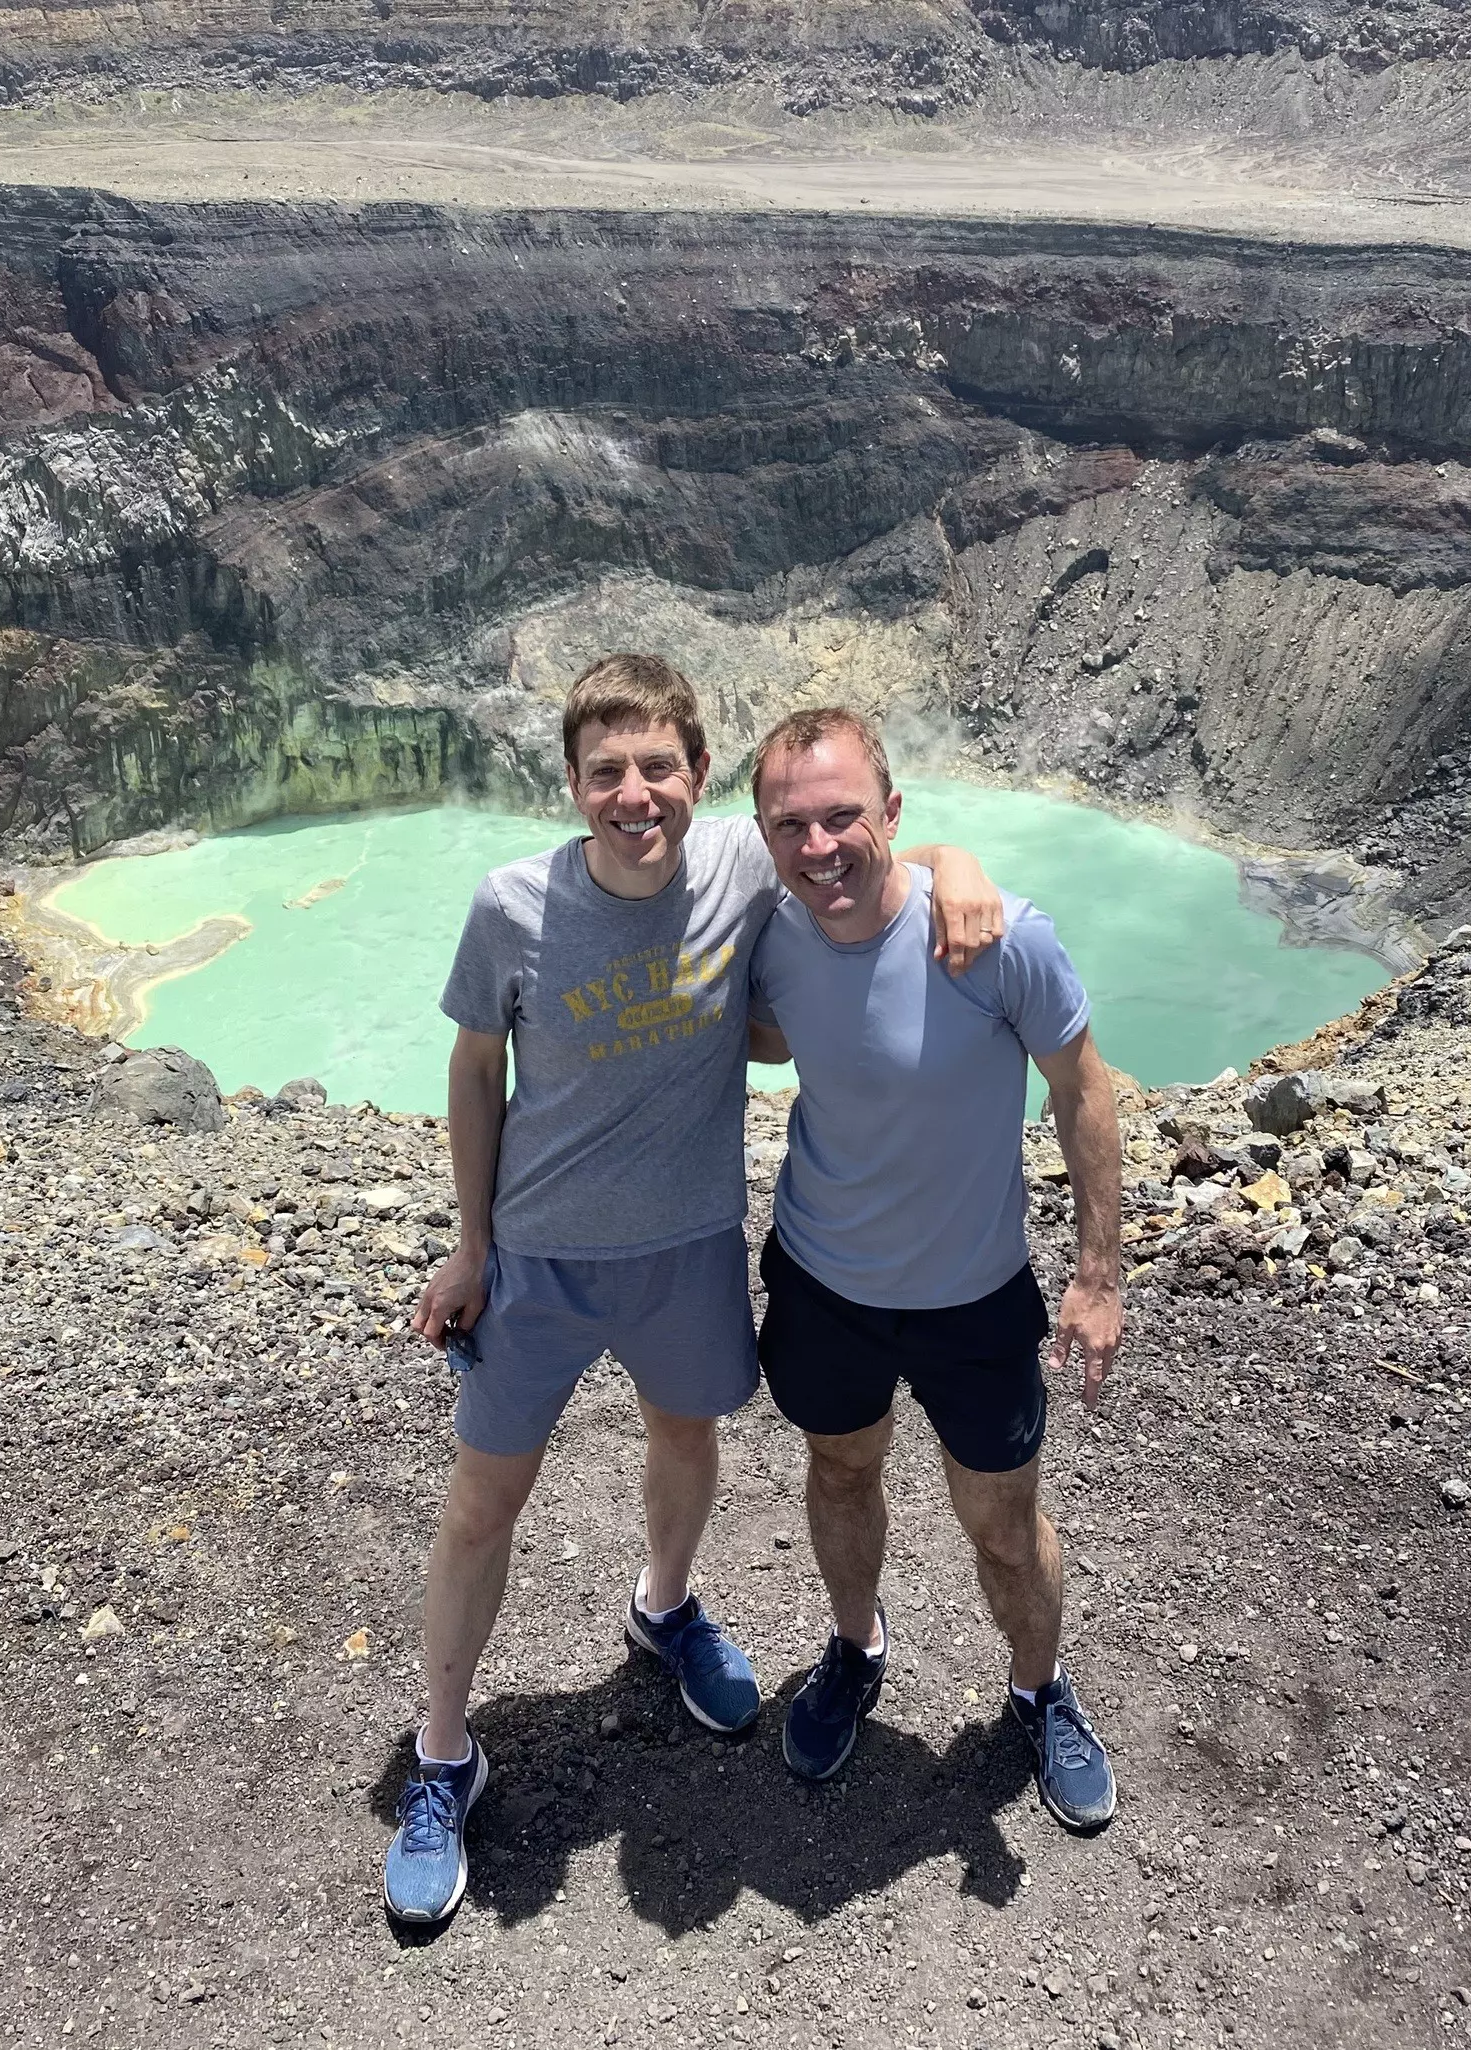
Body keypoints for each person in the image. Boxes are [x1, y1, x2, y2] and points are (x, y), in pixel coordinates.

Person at [382, 655, 1006, 1924]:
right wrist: (467, 1242)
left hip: (687, 1252)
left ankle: (663, 1609)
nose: (634, 794)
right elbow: (473, 1065)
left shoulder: (739, 865)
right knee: (482, 1502)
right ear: (571, 784)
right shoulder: (511, 906)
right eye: (605, 771)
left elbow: (863, 846)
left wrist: (960, 864)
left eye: (656, 766)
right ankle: (445, 1751)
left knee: (686, 1436)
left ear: (696, 776)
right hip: (539, 1260)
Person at [745, 706, 1125, 1832]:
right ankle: (855, 1648)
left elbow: (1084, 1088)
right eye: (792, 825)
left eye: (843, 817)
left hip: (972, 1298)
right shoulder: (771, 931)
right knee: (840, 1472)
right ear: (766, 837)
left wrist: (1099, 1272)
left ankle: (1037, 1689)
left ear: (893, 814)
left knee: (1004, 1524)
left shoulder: (997, 937)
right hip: (823, 1285)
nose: (819, 847)